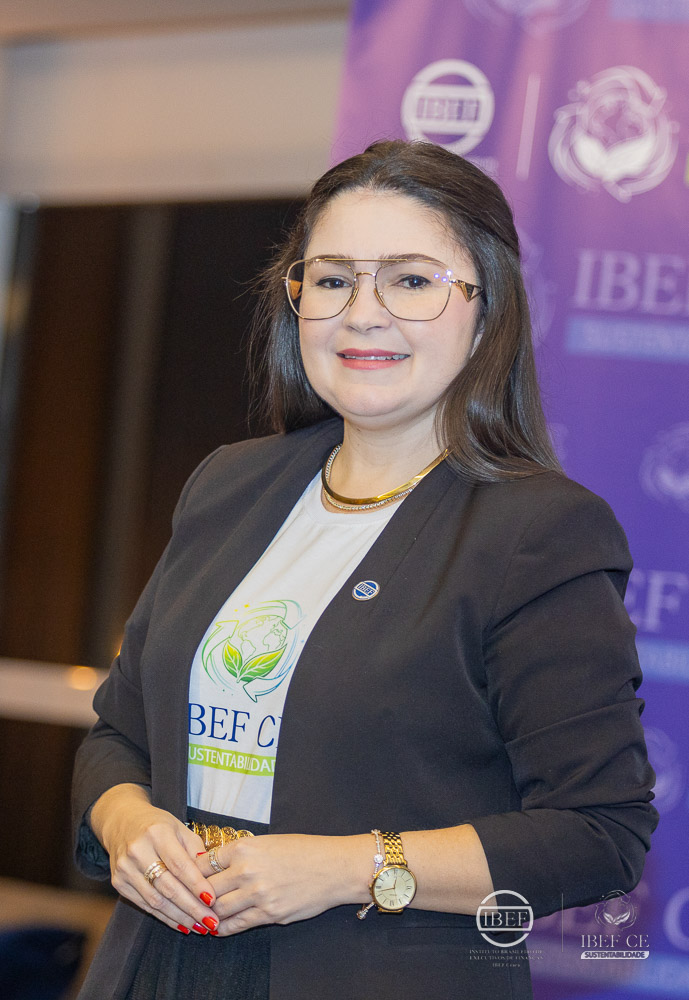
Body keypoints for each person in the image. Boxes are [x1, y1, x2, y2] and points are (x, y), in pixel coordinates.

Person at [72, 140, 657, 1000]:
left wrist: (352, 867)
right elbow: (118, 735)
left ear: (486, 311)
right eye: (333, 279)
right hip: (156, 965)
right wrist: (128, 825)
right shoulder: (229, 483)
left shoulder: (539, 532)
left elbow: (597, 833)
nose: (362, 314)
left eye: (411, 281)